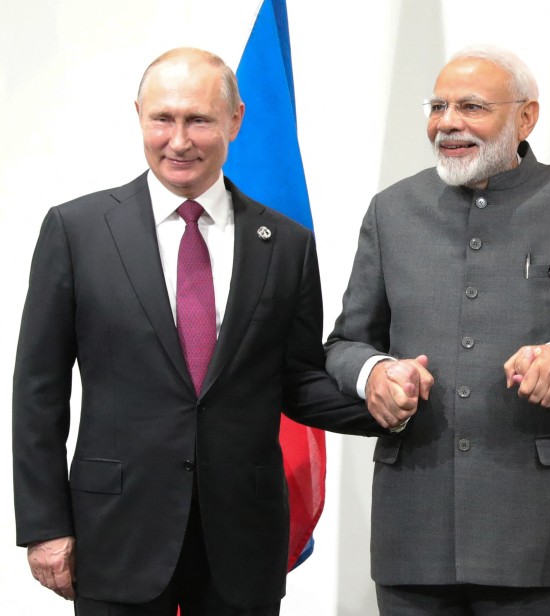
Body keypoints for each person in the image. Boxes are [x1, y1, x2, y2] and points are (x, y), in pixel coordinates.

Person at [12, 47, 382, 615]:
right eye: (163, 118)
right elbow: (38, 392)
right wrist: (44, 526)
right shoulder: (75, 230)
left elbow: (298, 380)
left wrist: (389, 402)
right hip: (116, 534)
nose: (178, 140)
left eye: (199, 120)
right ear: (139, 114)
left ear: (235, 118)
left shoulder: (285, 243)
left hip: (242, 539)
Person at [324, 46, 550, 615]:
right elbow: (344, 343)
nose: (448, 123)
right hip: (415, 532)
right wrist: (374, 373)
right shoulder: (392, 210)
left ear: (526, 118)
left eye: (472, 106)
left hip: (542, 529)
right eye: (438, 106)